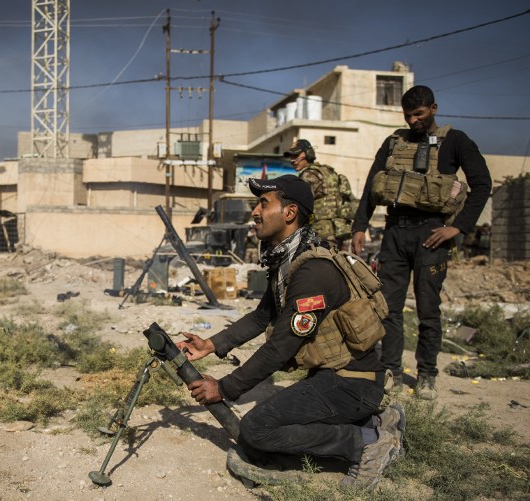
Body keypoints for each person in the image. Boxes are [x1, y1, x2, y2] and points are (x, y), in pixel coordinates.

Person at [178, 175, 404, 490]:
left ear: (289, 213)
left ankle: (366, 442)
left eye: (263, 203)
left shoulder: (312, 272)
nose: (255, 212)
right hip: (337, 378)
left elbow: (280, 348)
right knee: (280, 419)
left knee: (257, 429)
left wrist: (225, 388)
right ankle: (375, 421)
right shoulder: (291, 260)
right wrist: (211, 344)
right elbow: (261, 317)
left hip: (351, 383)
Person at [351, 85, 492, 400]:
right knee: (389, 307)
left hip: (432, 234)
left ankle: (427, 375)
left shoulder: (455, 141)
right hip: (395, 234)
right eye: (408, 115)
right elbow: (373, 185)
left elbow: (483, 184)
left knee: (429, 309)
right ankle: (391, 371)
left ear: (434, 108)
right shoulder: (393, 142)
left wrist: (458, 229)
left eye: (419, 113)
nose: (413, 120)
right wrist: (359, 226)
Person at [284, 139, 358, 249]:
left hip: (321, 232)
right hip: (341, 230)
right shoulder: (330, 173)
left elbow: (300, 206)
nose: (292, 160)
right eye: (291, 157)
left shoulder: (307, 175)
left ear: (308, 154)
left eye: (296, 155)